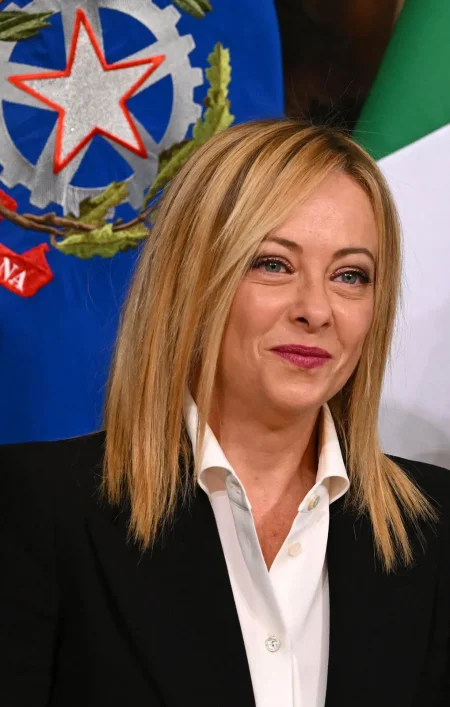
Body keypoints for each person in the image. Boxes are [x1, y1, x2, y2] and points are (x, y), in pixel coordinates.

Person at [0, 119, 449, 707]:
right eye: (273, 264)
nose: (316, 310)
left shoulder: (435, 529)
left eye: (349, 275)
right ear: (192, 280)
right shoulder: (38, 508)